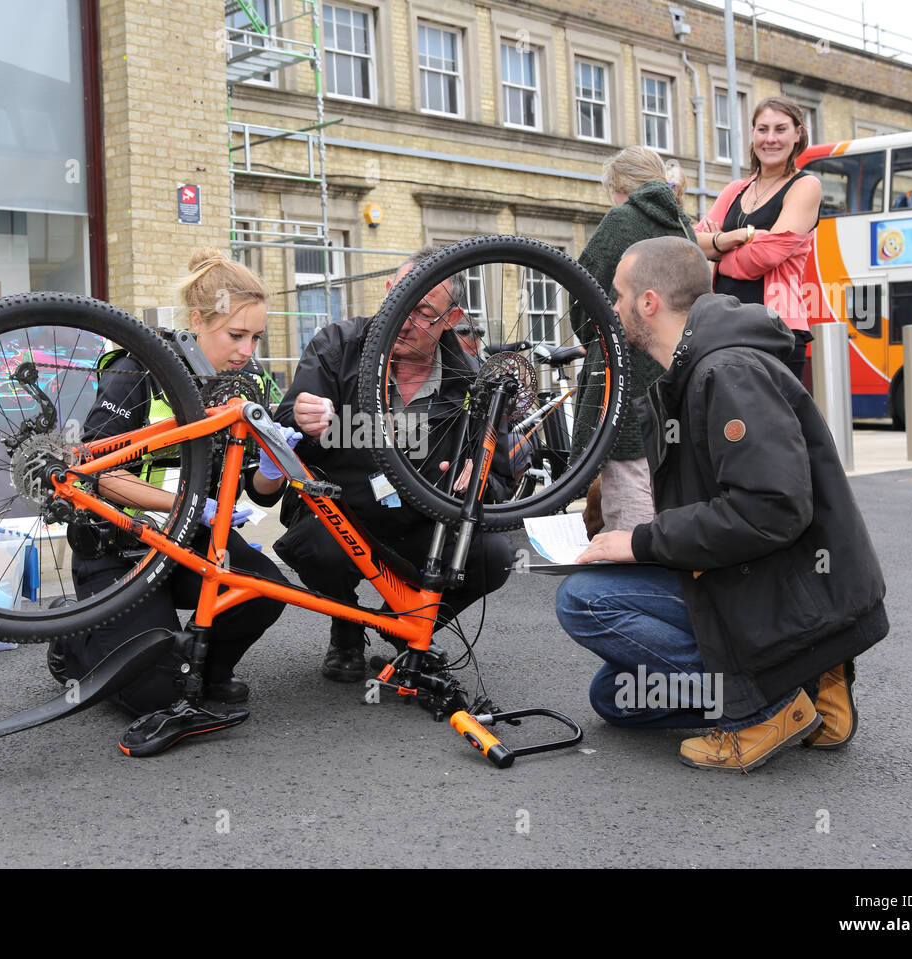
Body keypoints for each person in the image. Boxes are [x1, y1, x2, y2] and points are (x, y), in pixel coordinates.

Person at [555, 236, 888, 772]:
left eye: (618, 295)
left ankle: (768, 706)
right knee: (616, 697)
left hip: (782, 588)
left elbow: (771, 507)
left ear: (648, 303)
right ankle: (807, 676)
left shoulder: (727, 372)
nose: (612, 307)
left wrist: (639, 541)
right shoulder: (699, 369)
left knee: (583, 601)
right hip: (748, 577)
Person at [48, 248, 294, 713]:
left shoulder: (251, 382)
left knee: (264, 588)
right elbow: (96, 476)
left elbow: (251, 492)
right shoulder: (136, 369)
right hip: (116, 545)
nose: (247, 351)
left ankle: (203, 674)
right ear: (198, 321)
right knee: (150, 699)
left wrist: (270, 471)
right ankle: (72, 638)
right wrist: (186, 505)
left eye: (257, 337)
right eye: (236, 335)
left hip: (185, 540)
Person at [274, 247, 516, 682]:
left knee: (494, 555)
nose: (405, 319)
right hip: (341, 510)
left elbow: (501, 477)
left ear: (451, 317)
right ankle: (346, 625)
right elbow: (279, 440)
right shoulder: (336, 346)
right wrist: (302, 422)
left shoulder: (475, 380)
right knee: (317, 548)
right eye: (399, 301)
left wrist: (476, 482)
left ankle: (406, 626)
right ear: (388, 292)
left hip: (419, 521)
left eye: (423, 311)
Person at [570, 145, 697, 537]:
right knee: (669, 500)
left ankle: (631, 585)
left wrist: (593, 336)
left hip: (624, 381)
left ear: (619, 186)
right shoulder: (684, 226)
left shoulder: (621, 221)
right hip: (675, 379)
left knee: (628, 506)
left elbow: (583, 295)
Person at [695, 96, 822, 382]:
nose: (770, 139)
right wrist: (738, 237)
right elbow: (690, 240)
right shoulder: (736, 189)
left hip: (775, 330)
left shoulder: (805, 186)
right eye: (762, 129)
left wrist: (715, 248)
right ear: (752, 134)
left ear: (798, 133)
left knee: (772, 427)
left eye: (780, 129)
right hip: (724, 328)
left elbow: (764, 258)